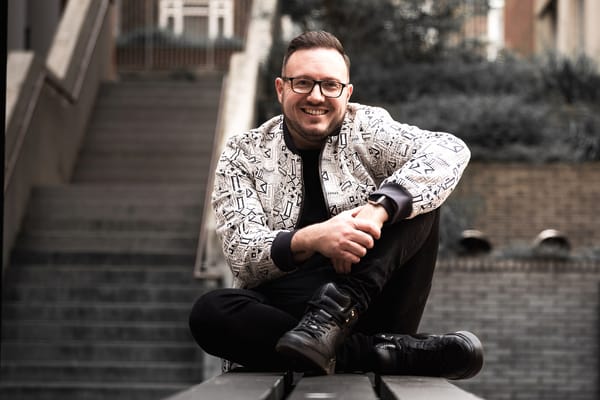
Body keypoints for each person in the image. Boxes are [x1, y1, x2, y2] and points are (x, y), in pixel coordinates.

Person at [189, 30, 483, 378]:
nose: (317, 96)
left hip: (369, 304)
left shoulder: (367, 128)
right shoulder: (244, 153)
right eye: (303, 83)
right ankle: (381, 353)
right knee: (210, 312)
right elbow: (241, 251)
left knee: (418, 196)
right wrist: (315, 238)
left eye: (330, 85)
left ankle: (335, 317)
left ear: (347, 93)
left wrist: (379, 209)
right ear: (281, 89)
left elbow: (449, 150)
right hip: (286, 316)